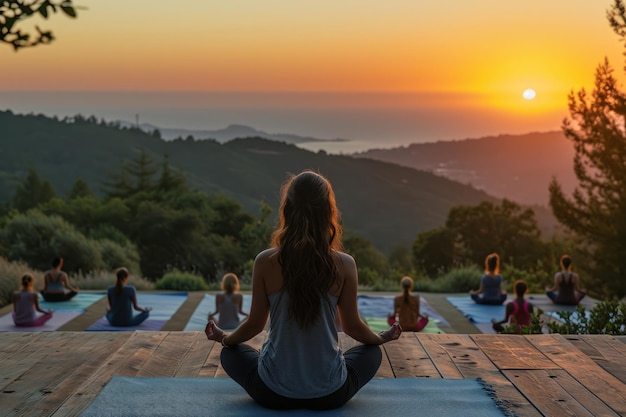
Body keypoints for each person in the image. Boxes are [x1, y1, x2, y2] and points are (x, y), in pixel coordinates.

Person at [205, 170, 402, 410]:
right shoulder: (345, 264)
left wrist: (224, 338)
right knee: (372, 353)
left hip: (272, 392)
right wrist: (380, 338)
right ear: (328, 212)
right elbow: (352, 327)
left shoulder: (265, 261)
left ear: (287, 209)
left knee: (230, 353)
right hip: (330, 394)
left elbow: (255, 325)